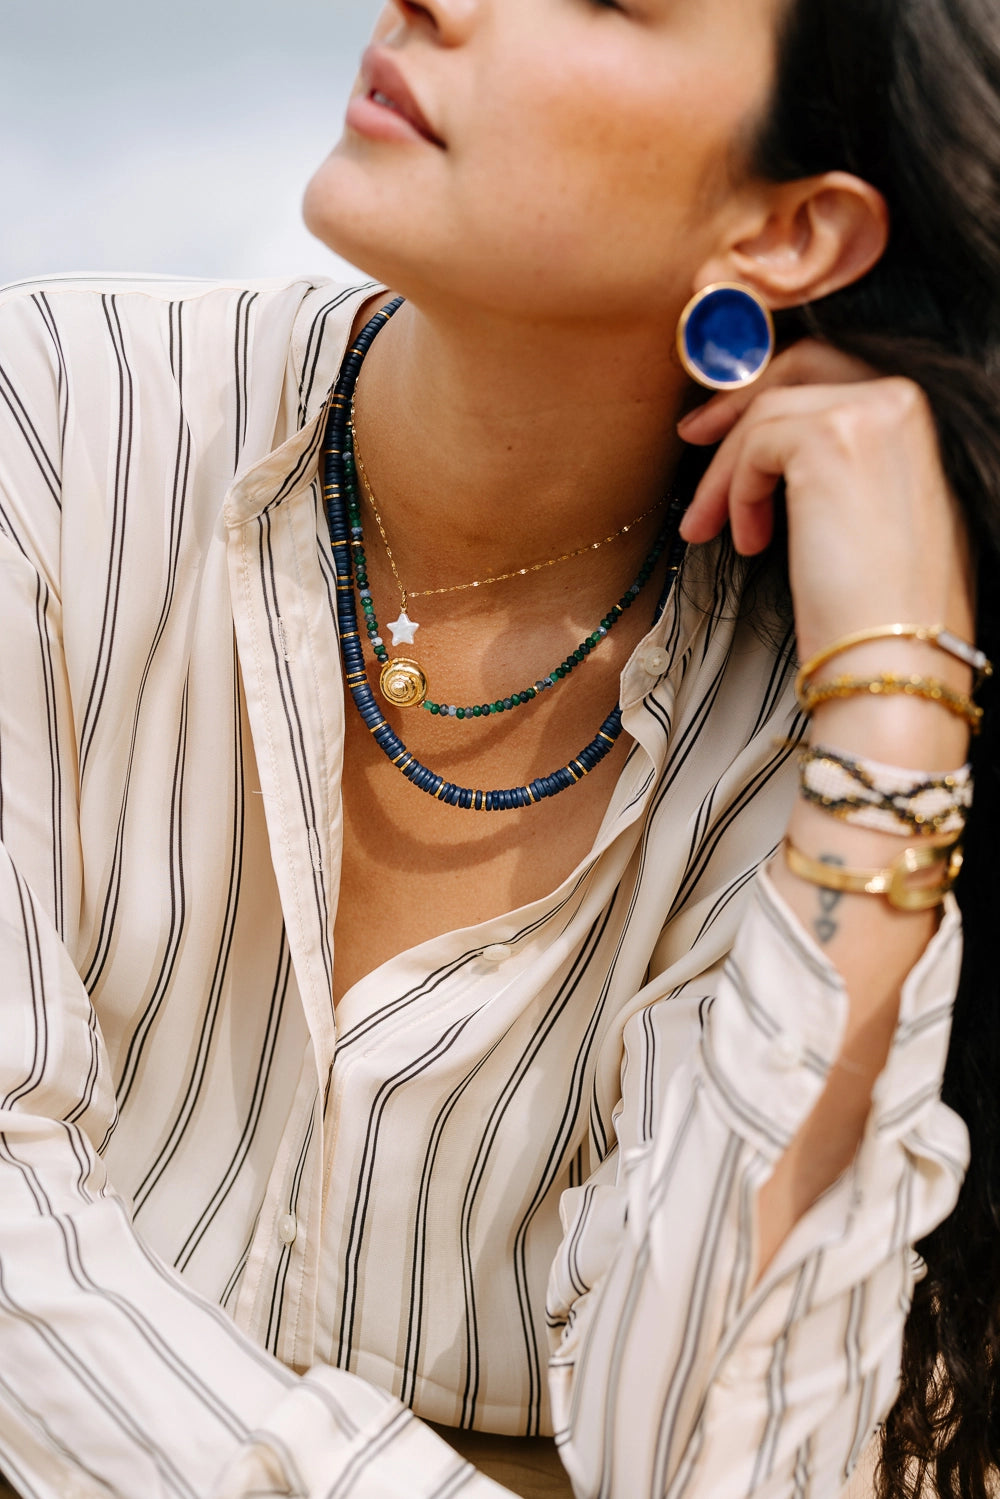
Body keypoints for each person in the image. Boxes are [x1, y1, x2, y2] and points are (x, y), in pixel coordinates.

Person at [0, 0, 998, 1496]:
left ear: (790, 233)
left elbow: (722, 1467)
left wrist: (894, 711)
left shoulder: (800, 732)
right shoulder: (57, 429)